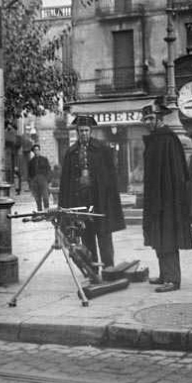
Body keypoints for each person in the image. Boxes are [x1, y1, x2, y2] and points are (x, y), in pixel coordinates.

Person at [59, 115, 125, 270]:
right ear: (77, 132)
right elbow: (65, 183)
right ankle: (92, 270)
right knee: (87, 237)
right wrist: (65, 208)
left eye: (87, 130)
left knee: (104, 236)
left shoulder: (102, 149)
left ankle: (109, 269)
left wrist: (109, 201)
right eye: (81, 131)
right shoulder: (71, 153)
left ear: (91, 131)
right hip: (81, 202)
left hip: (100, 201)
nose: (84, 134)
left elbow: (111, 178)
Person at [141, 102, 192, 292]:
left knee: (168, 238)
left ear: (159, 119)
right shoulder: (155, 139)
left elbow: (177, 174)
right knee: (159, 237)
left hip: (168, 200)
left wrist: (168, 198)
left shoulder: (168, 139)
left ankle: (173, 279)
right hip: (155, 199)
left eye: (151, 118)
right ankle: (164, 275)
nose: (147, 122)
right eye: (145, 118)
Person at [28, 144, 52, 211]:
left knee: (45, 197)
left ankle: (47, 212)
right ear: (33, 151)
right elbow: (29, 174)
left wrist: (48, 180)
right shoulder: (31, 162)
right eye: (35, 150)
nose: (37, 151)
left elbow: (48, 169)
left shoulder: (44, 159)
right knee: (37, 198)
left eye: (38, 150)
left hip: (43, 180)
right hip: (34, 181)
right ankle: (40, 213)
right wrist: (30, 183)